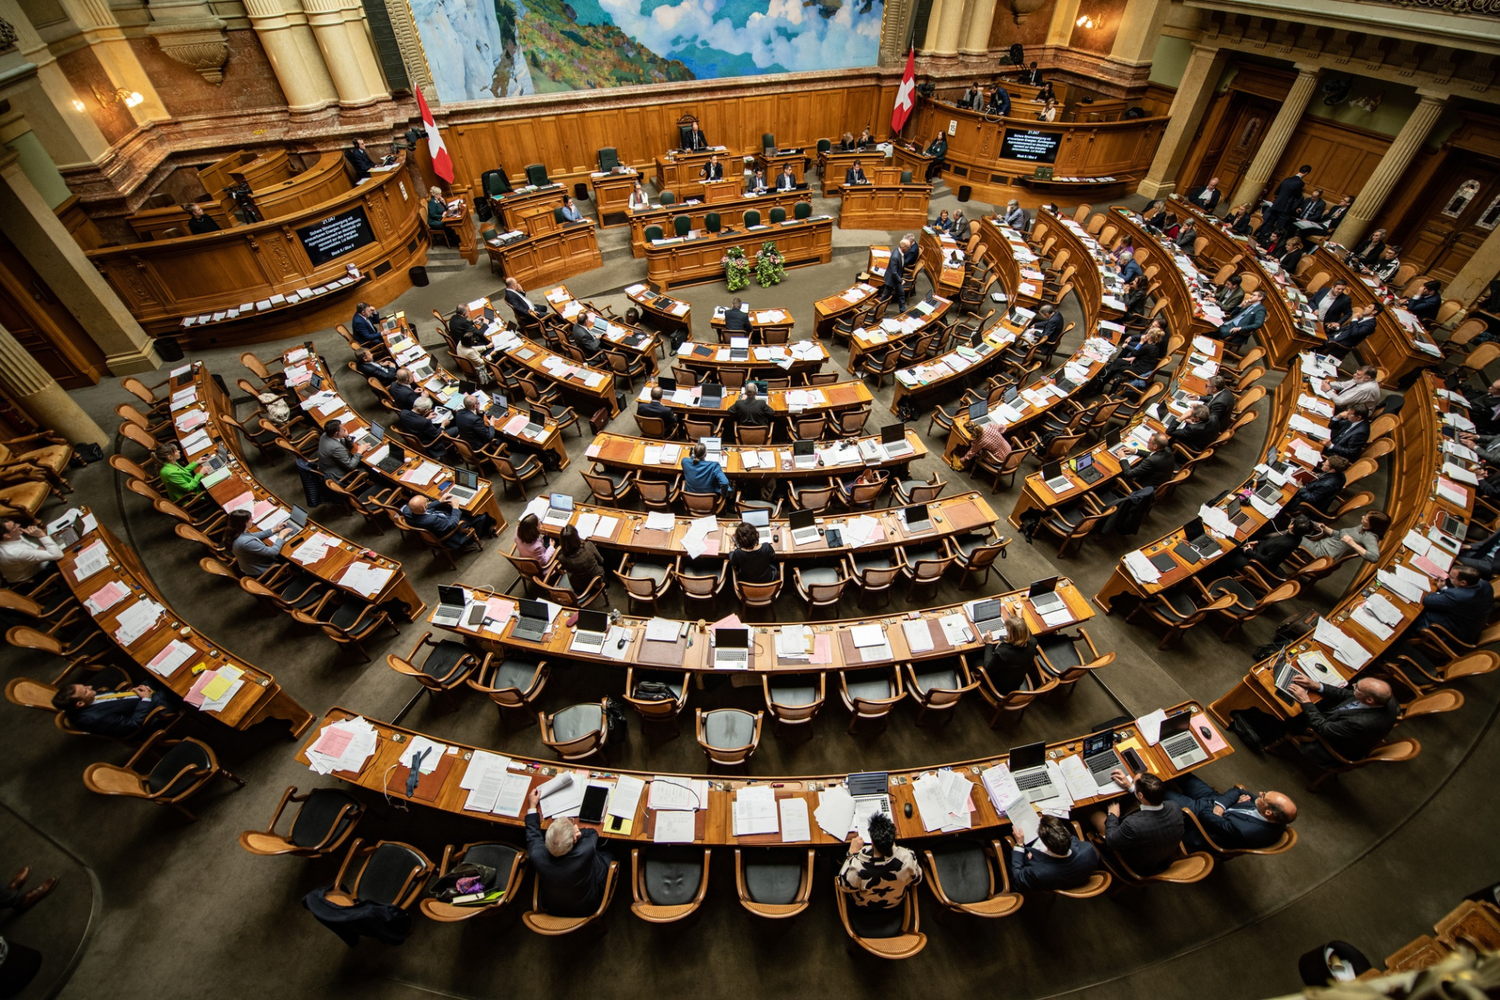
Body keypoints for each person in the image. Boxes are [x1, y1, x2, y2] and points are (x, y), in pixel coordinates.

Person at [1232, 678, 1399, 767]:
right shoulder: (1388, 700)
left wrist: (1306, 701)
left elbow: (1322, 728)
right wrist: (1317, 686)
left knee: (1288, 714)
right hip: (1339, 724)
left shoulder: (1361, 723)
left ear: (1369, 699)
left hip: (1328, 744)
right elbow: (1348, 695)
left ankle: (1254, 729)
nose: (1353, 687)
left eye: (1357, 688)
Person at [524, 786, 611, 918]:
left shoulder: (537, 854)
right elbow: (592, 833)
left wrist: (532, 806)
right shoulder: (585, 850)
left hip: (553, 907)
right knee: (609, 854)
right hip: (588, 907)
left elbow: (532, 833)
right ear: (574, 841)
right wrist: (578, 833)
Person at [1163, 777, 1297, 853]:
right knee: (1183, 775)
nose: (1260, 793)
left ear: (1268, 813)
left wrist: (1229, 805)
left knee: (1160, 790)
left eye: (1262, 796)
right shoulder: (1277, 815)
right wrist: (1222, 806)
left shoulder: (1244, 831)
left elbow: (1206, 816)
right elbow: (1237, 791)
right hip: (1216, 801)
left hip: (1200, 820)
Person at [1091, 771, 1183, 875]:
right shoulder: (1174, 806)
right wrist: (1130, 787)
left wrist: (1112, 815)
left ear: (1140, 795)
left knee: (1091, 810)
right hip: (1162, 857)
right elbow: (1148, 801)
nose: (1132, 784)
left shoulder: (1133, 824)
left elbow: (1110, 840)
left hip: (1137, 867)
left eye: (1133, 783)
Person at [835, 812, 923, 909]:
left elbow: (844, 886)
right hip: (894, 903)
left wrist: (851, 853)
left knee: (839, 859)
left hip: (863, 905)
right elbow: (917, 880)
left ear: (872, 842)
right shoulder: (908, 858)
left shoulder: (857, 866)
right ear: (893, 839)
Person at [52, 681, 175, 739]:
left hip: (133, 699)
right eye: (85, 690)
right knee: (171, 689)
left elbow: (113, 698)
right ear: (80, 703)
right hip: (150, 713)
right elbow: (133, 724)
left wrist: (133, 691)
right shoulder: (96, 719)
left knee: (155, 674)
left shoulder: (88, 699)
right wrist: (146, 700)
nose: (89, 686)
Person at [1009, 815, 1100, 892]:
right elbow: (1074, 841)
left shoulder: (1038, 872)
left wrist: (1020, 844)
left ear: (1047, 848)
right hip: (1072, 878)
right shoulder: (1088, 851)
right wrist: (1051, 826)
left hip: (1049, 880)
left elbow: (1017, 881)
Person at [1414, 564, 1494, 644]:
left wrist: (1438, 592)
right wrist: (1444, 588)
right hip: (1470, 622)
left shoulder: (1458, 596)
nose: (1447, 577)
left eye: (1451, 577)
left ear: (1463, 582)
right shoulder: (1486, 584)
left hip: (1457, 632)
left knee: (1420, 610)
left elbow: (1427, 600)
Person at [403, 492, 495, 547]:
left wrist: (440, 501)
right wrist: (455, 508)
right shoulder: (432, 520)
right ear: (424, 507)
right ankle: (471, 541)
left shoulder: (408, 510)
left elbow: (425, 508)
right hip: (450, 532)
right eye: (426, 501)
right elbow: (452, 524)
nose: (428, 501)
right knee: (481, 516)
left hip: (439, 524)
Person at [1301, 510, 1389, 565]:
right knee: (1302, 520)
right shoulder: (1362, 526)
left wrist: (1352, 543)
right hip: (1321, 545)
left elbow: (1374, 557)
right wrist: (1325, 528)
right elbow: (1341, 535)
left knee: (1291, 533)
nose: (1362, 517)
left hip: (1322, 554)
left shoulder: (1369, 537)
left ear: (1372, 525)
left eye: (1365, 519)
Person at [980, 611, 1036, 695]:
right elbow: (1027, 631)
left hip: (1001, 687)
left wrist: (989, 643)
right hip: (1017, 681)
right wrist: (1019, 618)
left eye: (1007, 630)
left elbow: (987, 669)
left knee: (975, 659)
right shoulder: (1033, 642)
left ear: (1012, 634)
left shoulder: (1003, 653)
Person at [229, 509, 295, 577]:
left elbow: (253, 535)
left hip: (250, 563)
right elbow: (273, 552)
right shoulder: (245, 542)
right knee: (290, 558)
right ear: (244, 523)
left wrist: (274, 530)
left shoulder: (234, 531)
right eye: (250, 519)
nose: (252, 519)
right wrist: (281, 536)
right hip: (262, 569)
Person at [0, 516, 64, 584]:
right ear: (7, 535)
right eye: (14, 527)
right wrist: (41, 535)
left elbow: (34, 547)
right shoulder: (16, 552)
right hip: (34, 576)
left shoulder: (13, 537)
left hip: (29, 564)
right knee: (64, 557)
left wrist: (46, 549)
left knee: (57, 546)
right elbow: (58, 555)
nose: (18, 525)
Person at [396, 396, 458, 463]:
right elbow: (436, 435)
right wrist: (443, 425)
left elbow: (414, 421)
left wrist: (427, 418)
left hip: (415, 434)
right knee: (457, 428)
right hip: (429, 442)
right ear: (425, 410)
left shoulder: (403, 412)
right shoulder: (424, 422)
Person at [1260, 164, 1310, 237]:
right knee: (1279, 228)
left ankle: (1261, 238)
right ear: (1306, 173)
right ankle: (1271, 245)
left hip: (1276, 205)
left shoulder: (1286, 179)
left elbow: (1276, 192)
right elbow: (1297, 196)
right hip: (1285, 209)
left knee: (1269, 224)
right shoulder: (1300, 183)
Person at [557, 524, 605, 593]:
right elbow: (601, 560)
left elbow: (569, 570)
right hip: (596, 581)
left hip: (578, 586)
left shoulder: (562, 558)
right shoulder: (588, 546)